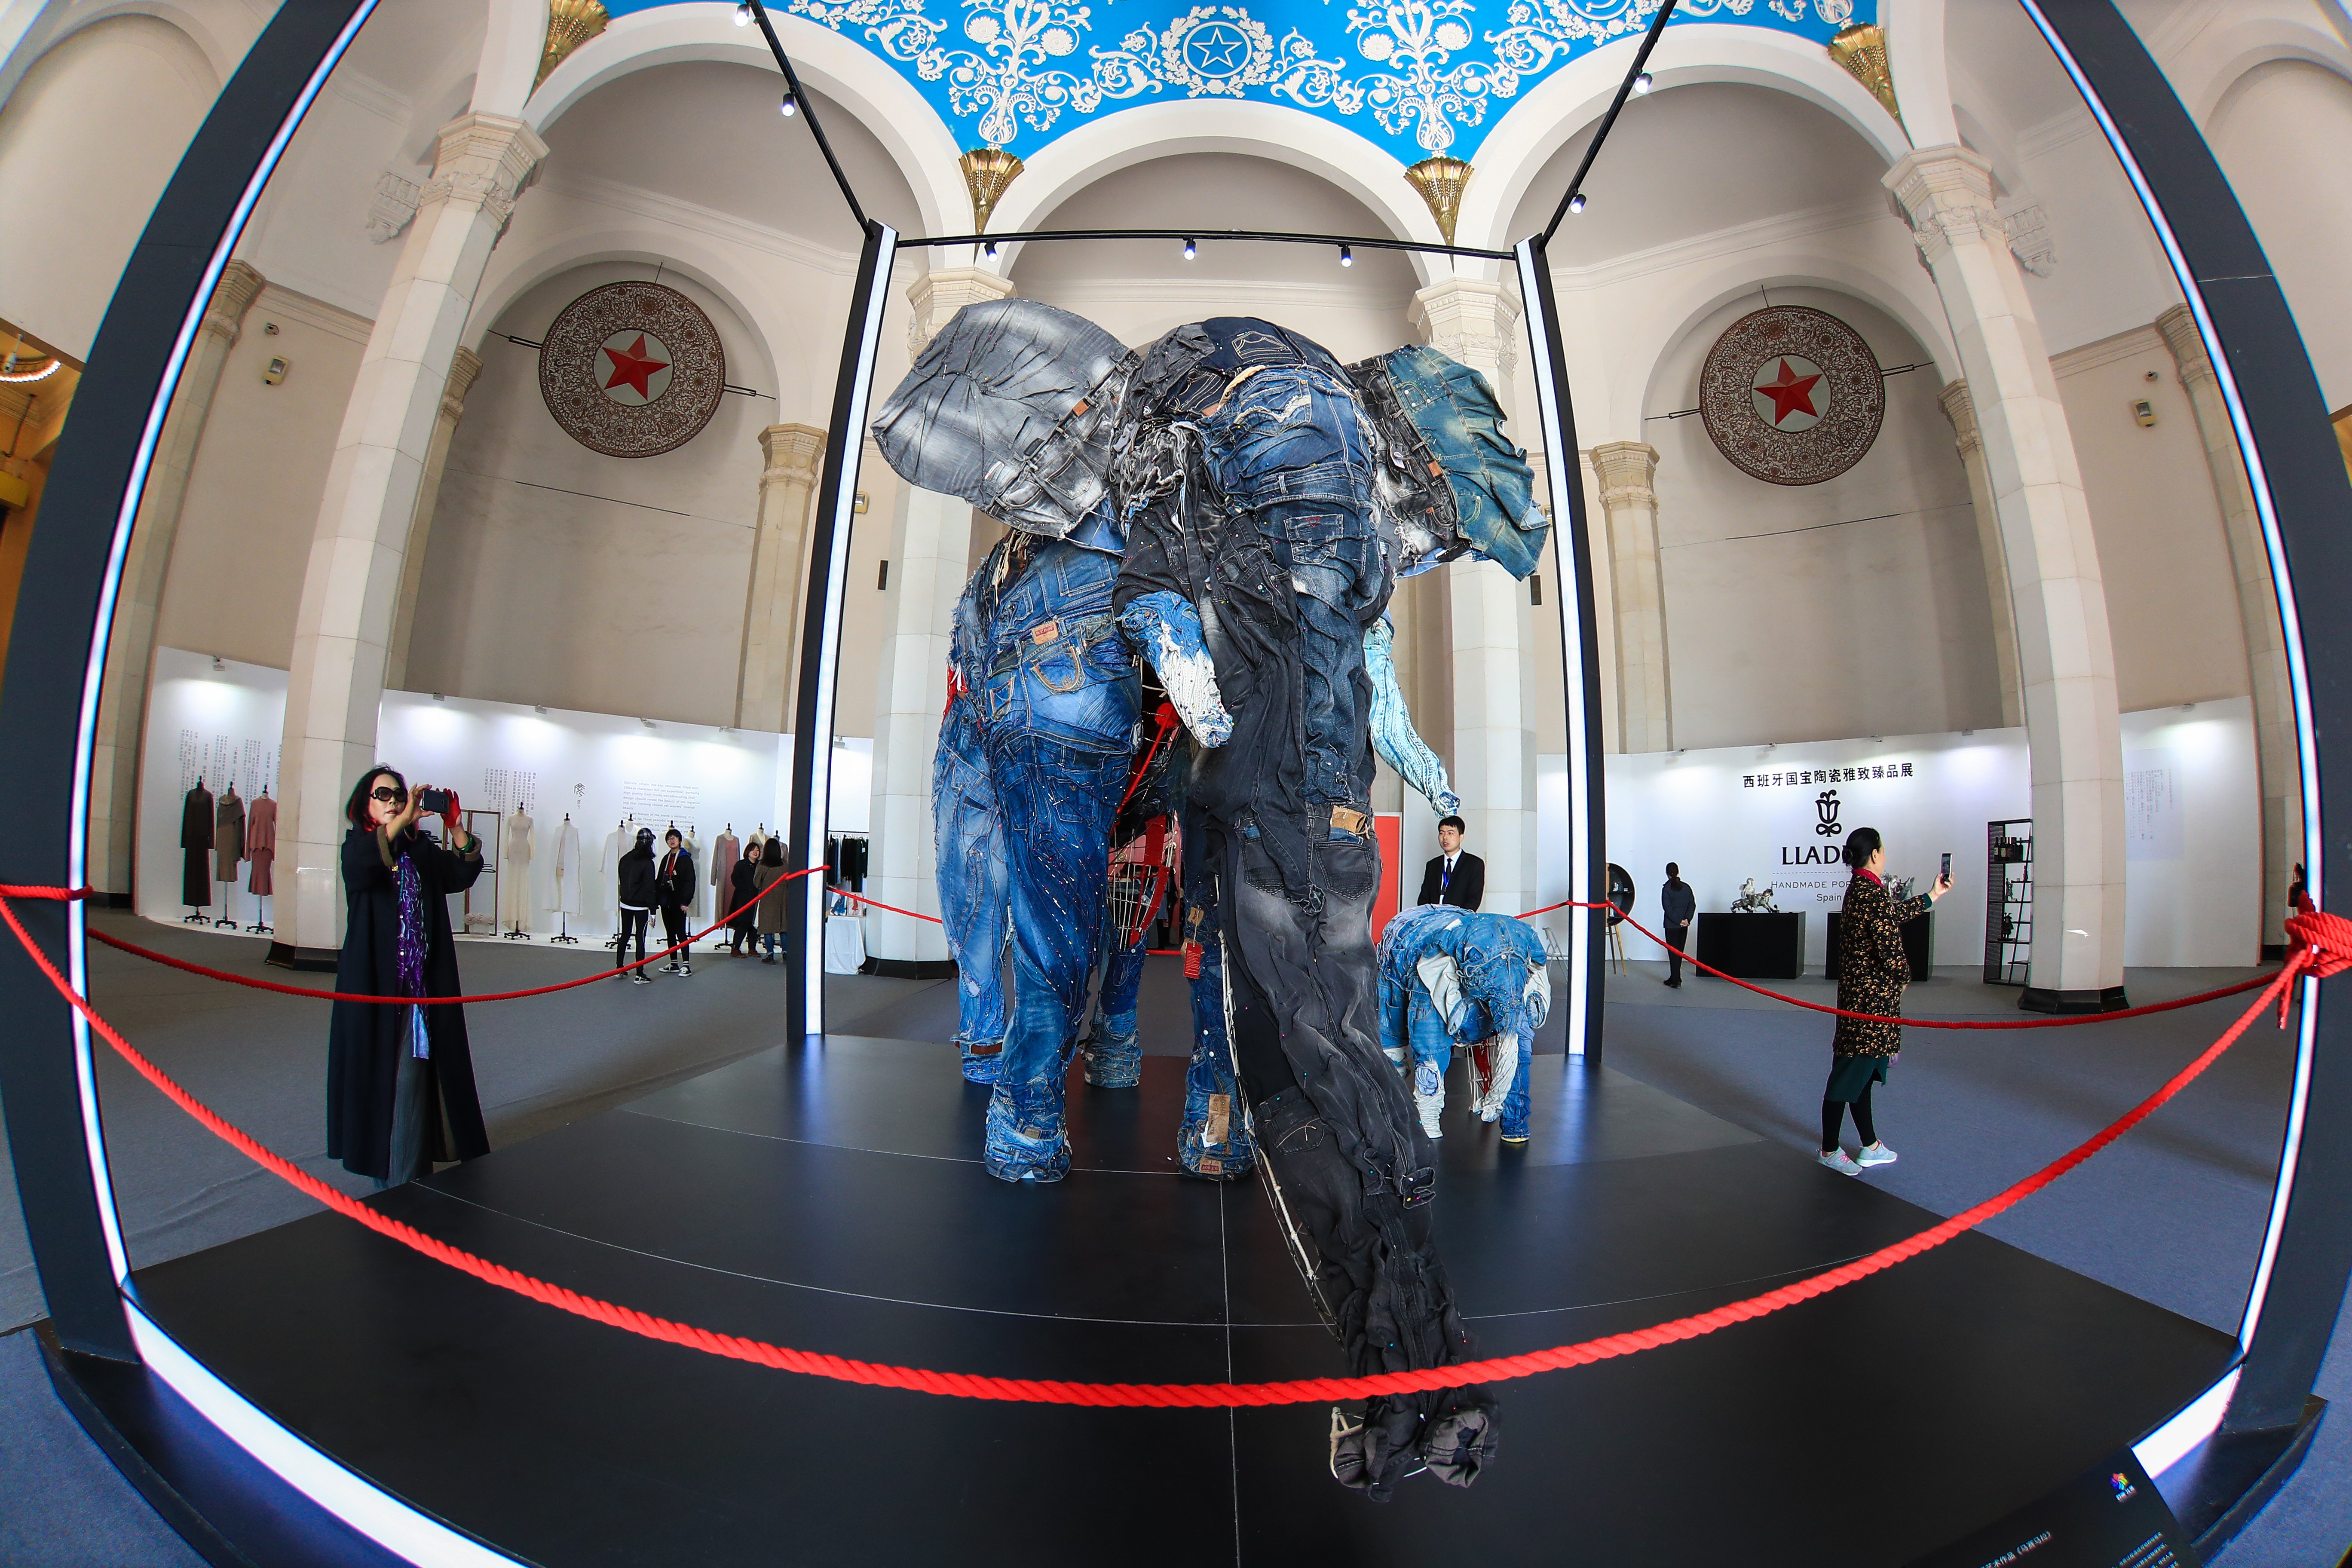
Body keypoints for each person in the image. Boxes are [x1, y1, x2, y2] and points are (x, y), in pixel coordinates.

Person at [326, 767, 487, 1188]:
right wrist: (402, 820)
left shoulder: (419, 850)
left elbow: (461, 874)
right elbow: (362, 869)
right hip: (375, 993)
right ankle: (396, 1190)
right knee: (381, 1086)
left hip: (420, 991)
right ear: (364, 804)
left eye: (399, 795)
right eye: (383, 794)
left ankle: (406, 1184)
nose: (394, 801)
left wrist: (455, 827)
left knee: (410, 1086)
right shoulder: (358, 847)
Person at [1820, 826, 1950, 1175]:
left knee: (1861, 1075)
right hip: (1869, 1005)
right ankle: (1830, 1149)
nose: (1886, 854)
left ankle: (1871, 1145)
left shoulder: (1862, 889)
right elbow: (1889, 948)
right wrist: (1903, 978)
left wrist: (1931, 896)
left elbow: (1890, 916)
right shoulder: (1870, 894)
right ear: (1875, 854)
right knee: (1847, 1076)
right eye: (1883, 849)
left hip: (1861, 1001)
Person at [1376, 906, 1551, 1144]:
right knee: (1404, 1043)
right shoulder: (1435, 965)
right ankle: (1416, 1114)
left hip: (1496, 982)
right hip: (1407, 942)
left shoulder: (1516, 979)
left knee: (1517, 1039)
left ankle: (1515, 1125)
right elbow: (1429, 1048)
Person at [615, 827, 658, 984]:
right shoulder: (648, 863)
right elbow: (650, 889)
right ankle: (640, 974)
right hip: (641, 906)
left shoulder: (625, 859)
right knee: (640, 938)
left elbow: (623, 882)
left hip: (625, 903)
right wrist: (653, 911)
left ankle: (619, 968)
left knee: (625, 935)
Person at [1418, 816, 1484, 910]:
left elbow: (1474, 900)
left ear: (1461, 837)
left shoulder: (1474, 864)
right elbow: (1423, 899)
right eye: (1442, 833)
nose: (1445, 837)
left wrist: (1455, 917)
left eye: (1450, 833)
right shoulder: (1433, 865)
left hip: (1460, 917)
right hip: (1433, 917)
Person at [656, 828, 696, 976]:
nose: (672, 841)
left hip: (679, 902)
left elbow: (690, 882)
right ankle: (673, 963)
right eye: (669, 839)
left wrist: (685, 902)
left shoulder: (685, 859)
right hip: (666, 901)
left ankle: (686, 965)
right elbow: (659, 880)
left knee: (681, 933)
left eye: (674, 838)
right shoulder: (666, 859)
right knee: (670, 933)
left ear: (680, 840)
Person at [752, 836, 790, 962]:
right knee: (784, 928)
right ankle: (786, 954)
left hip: (767, 898)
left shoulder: (762, 865)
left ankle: (770, 955)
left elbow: (757, 883)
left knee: (768, 928)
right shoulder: (785, 864)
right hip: (783, 898)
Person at [1660, 862, 1696, 987]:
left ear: (1667, 874)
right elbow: (1692, 905)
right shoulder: (1686, 888)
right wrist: (1686, 920)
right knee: (1680, 953)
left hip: (1672, 926)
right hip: (1684, 926)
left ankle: (1676, 980)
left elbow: (1668, 909)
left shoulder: (1667, 889)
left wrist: (1678, 921)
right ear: (1678, 872)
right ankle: (1675, 977)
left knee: (1673, 954)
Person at [726, 846, 760, 956]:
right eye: (753, 850)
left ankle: (752, 948)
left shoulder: (760, 865)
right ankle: (736, 948)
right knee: (743, 923)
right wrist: (746, 888)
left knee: (754, 924)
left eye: (758, 850)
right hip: (743, 899)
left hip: (757, 898)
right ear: (748, 852)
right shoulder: (741, 865)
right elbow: (735, 879)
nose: (755, 852)